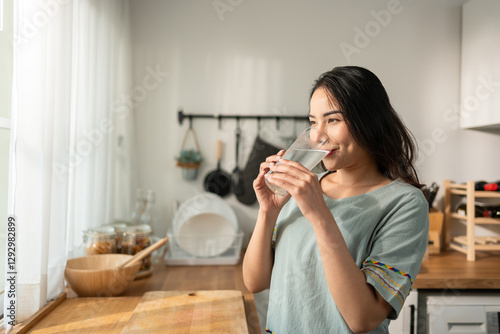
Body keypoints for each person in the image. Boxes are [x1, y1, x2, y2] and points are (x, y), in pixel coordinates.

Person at [242, 66, 429, 333]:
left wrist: (319, 214)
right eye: (313, 122)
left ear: (370, 121)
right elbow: (254, 281)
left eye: (333, 120)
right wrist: (267, 211)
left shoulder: (405, 204)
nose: (318, 135)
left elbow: (364, 318)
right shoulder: (303, 187)